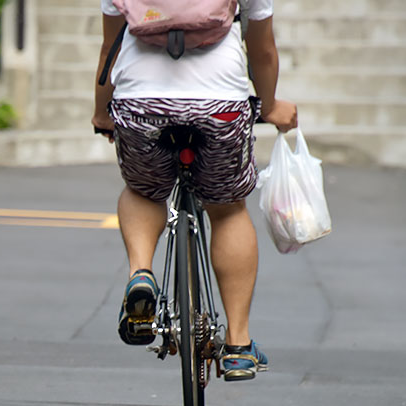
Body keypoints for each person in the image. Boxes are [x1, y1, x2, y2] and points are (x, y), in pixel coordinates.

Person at [92, 0, 298, 381]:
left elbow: (111, 48)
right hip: (220, 104)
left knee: (143, 191)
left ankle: (141, 274)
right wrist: (269, 106)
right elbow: (263, 48)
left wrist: (103, 113)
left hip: (141, 102)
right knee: (227, 208)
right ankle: (238, 345)